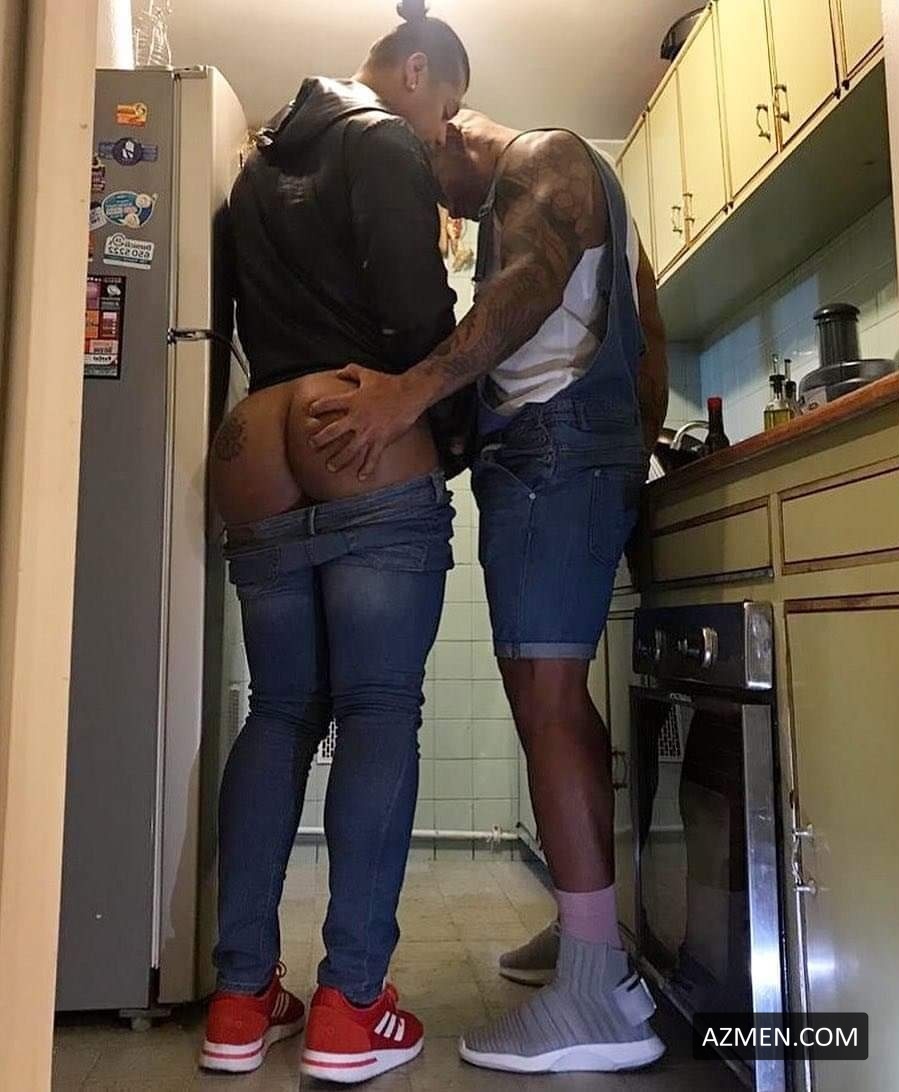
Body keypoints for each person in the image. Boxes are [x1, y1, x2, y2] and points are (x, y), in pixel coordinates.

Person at [307, 109, 670, 1074]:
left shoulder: (541, 157)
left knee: (545, 703)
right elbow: (648, 329)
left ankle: (592, 997)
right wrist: (620, 454)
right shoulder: (585, 189)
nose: (451, 213)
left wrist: (409, 392)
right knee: (557, 702)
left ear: (445, 130)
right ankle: (591, 937)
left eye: (440, 191)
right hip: (568, 455)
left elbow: (529, 285)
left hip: (556, 457)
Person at [197, 14, 471, 1085]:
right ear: (416, 71)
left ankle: (238, 999)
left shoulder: (254, 165)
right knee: (377, 710)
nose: (442, 131)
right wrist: (449, 426)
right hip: (358, 434)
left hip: (256, 439)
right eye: (444, 107)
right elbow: (414, 314)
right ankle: (353, 1009)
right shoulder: (382, 139)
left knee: (277, 713)